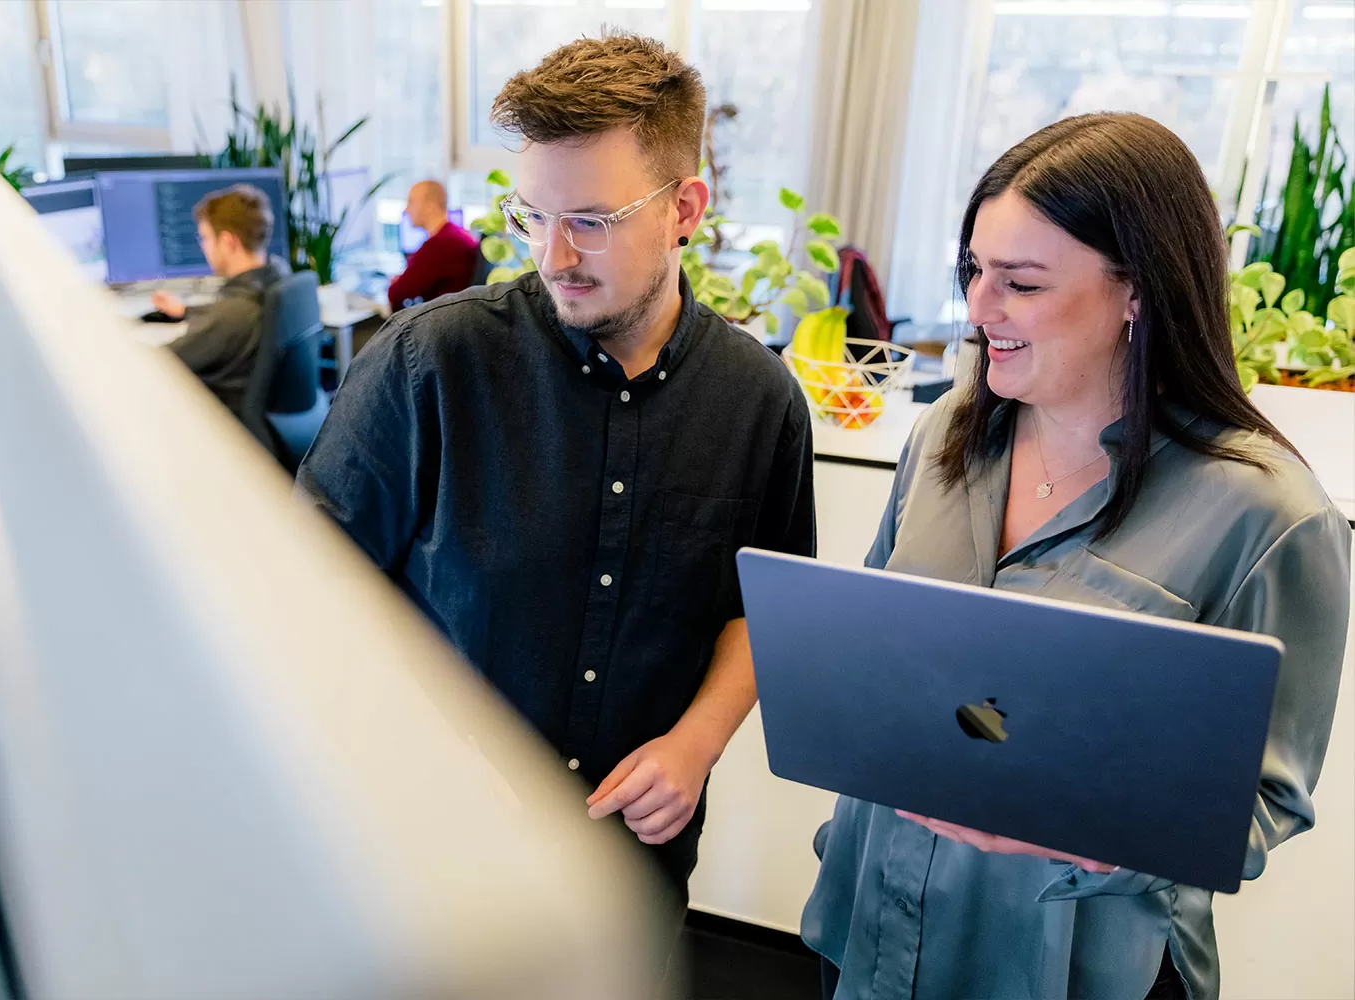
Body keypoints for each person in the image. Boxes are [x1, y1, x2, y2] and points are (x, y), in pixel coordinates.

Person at [803, 112, 1352, 1000]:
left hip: (1070, 967)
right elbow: (879, 652)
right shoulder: (949, 429)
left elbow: (1262, 803)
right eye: (974, 272)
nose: (978, 311)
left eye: (1020, 283)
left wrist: (1084, 830)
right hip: (871, 926)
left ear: (1138, 290)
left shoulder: (1269, 516)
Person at [297, 33, 815, 911]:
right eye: (532, 215)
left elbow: (763, 607)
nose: (553, 256)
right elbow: (307, 589)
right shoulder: (431, 363)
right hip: (434, 846)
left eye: (591, 222)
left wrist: (696, 744)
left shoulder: (757, 400)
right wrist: (430, 753)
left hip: (633, 860)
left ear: (684, 208)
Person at [151, 184, 288, 414]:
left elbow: (161, 361)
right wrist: (185, 311)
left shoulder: (233, 314)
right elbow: (229, 313)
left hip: (224, 425)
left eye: (204, 237)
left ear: (228, 242)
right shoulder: (276, 276)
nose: (203, 247)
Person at [386, 180, 479, 311]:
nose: (406, 209)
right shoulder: (458, 234)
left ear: (430, 206)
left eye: (411, 201)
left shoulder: (439, 245)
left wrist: (397, 281)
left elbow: (396, 293)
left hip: (441, 322)